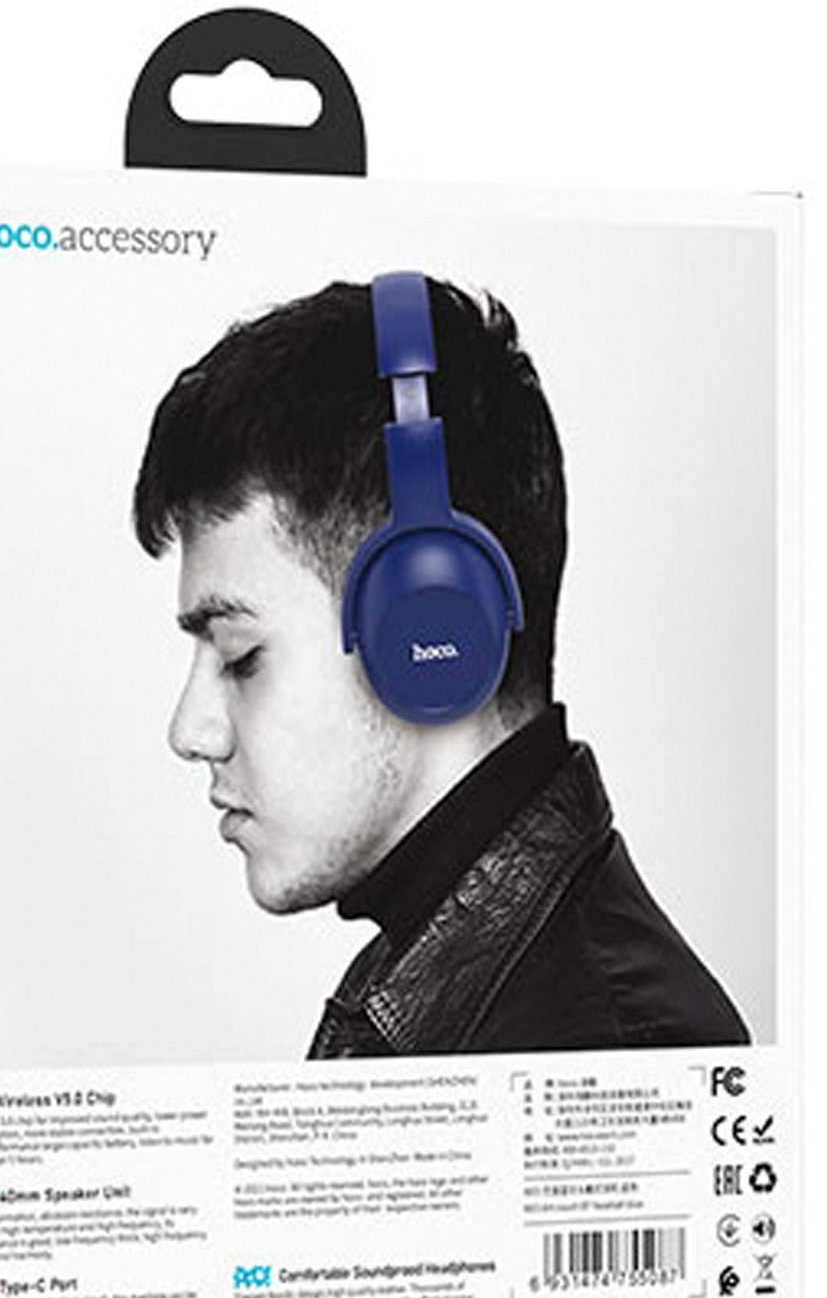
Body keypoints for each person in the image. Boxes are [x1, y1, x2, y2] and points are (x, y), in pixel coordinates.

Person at [132, 277, 749, 1057]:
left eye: (240, 657)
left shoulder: (615, 1059)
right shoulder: (436, 977)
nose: (190, 732)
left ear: (429, 633)